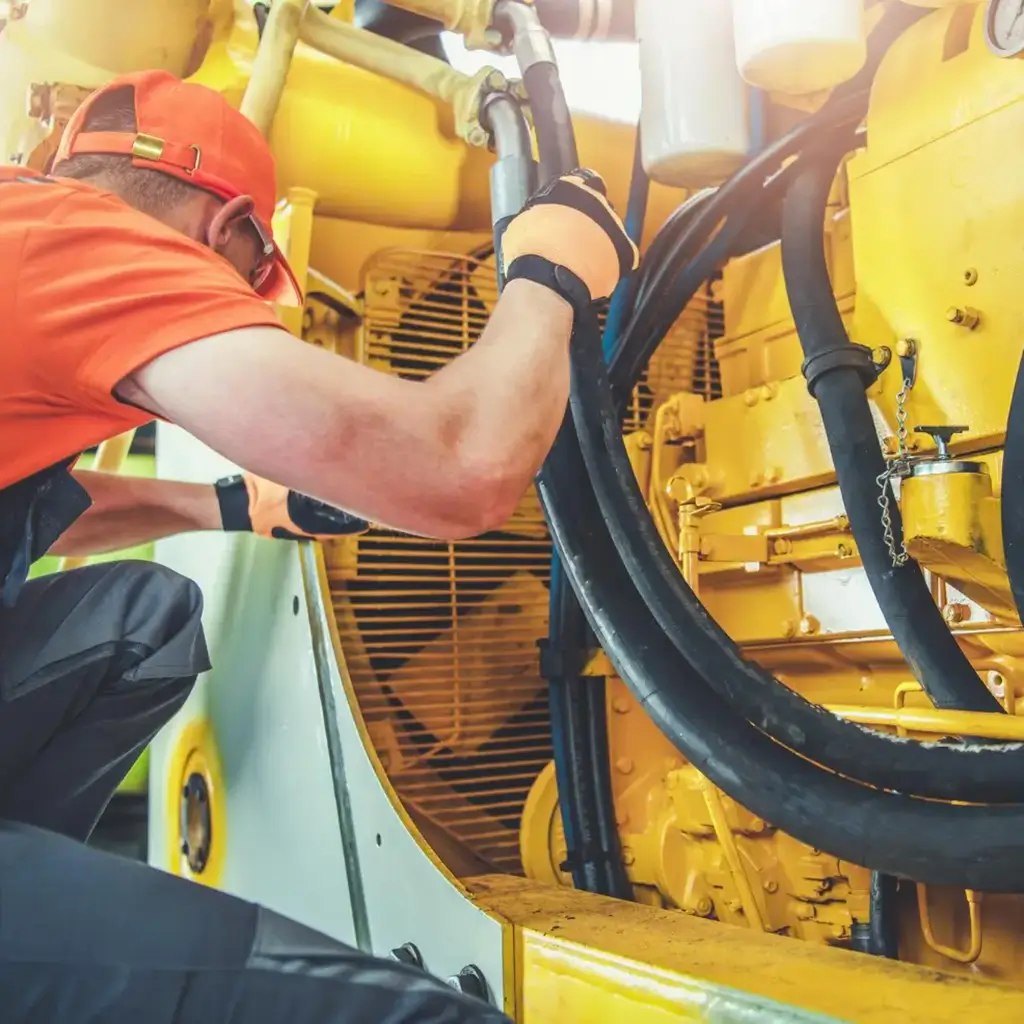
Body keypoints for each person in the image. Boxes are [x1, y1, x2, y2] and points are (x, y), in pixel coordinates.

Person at [0, 68, 637, 1022]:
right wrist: (550, 270)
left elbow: (43, 506)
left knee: (149, 616)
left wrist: (232, 503)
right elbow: (460, 466)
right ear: (231, 232)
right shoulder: (73, 239)